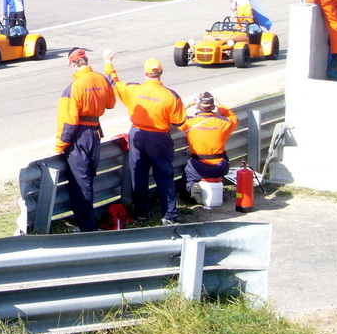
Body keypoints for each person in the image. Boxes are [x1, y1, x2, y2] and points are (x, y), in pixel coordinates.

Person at [103, 51, 186, 225]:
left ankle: (142, 213)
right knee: (164, 176)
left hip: (137, 135)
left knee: (139, 175)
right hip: (159, 138)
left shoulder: (133, 90)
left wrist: (108, 62)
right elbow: (179, 121)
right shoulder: (171, 96)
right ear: (161, 73)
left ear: (145, 73)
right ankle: (169, 215)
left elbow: (113, 82)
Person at [55, 47, 116, 231]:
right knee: (89, 177)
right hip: (95, 134)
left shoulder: (73, 87)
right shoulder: (101, 79)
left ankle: (87, 227)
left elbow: (68, 123)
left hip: (79, 136)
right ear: (86, 60)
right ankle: (88, 223)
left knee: (81, 183)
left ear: (73, 64)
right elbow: (111, 103)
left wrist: (59, 147)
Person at [178, 92, 237, 204]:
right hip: (220, 167)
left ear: (198, 106)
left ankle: (192, 187)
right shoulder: (224, 122)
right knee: (224, 155)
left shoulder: (190, 122)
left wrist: (189, 104)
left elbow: (175, 117)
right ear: (213, 107)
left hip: (198, 167)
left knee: (187, 178)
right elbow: (233, 117)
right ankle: (219, 185)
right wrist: (220, 105)